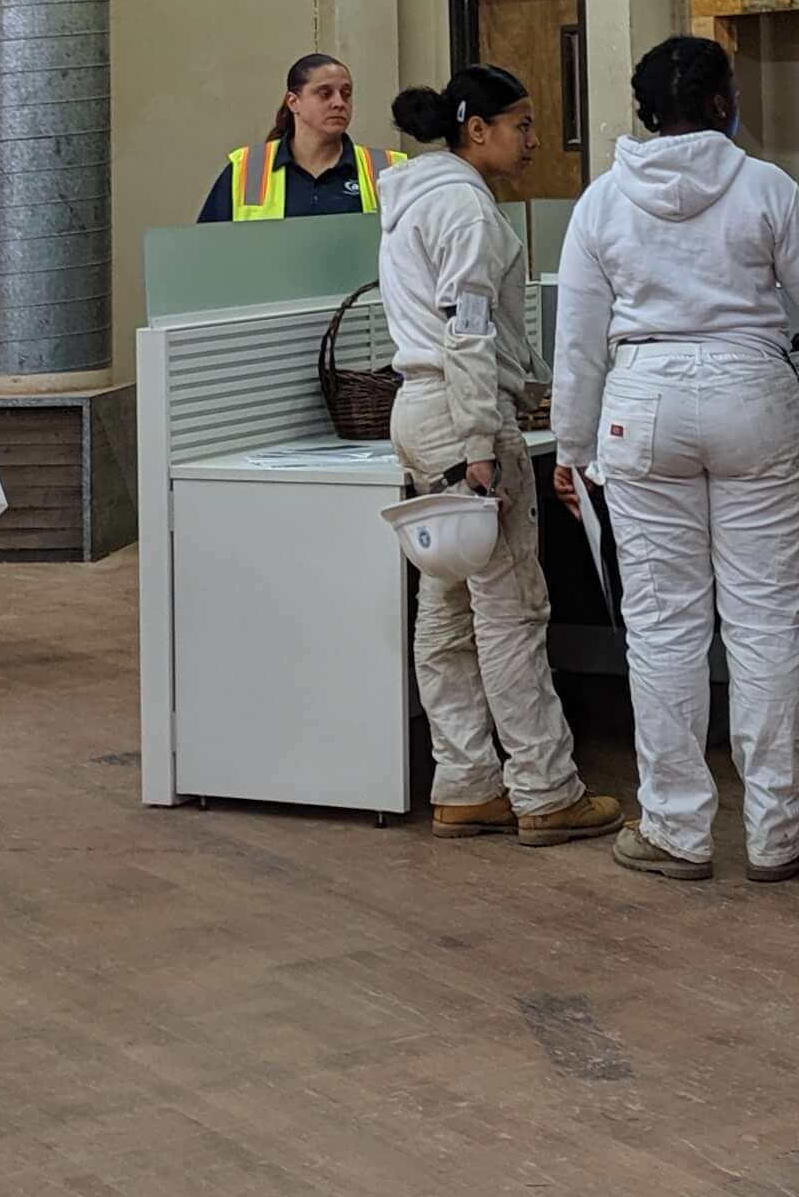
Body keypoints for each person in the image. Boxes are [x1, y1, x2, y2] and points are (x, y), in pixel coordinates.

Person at [551, 35, 799, 887]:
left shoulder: (601, 201)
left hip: (641, 407)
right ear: (718, 103)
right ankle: (778, 833)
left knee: (663, 627)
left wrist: (573, 448)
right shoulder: (766, 186)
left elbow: (578, 342)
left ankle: (675, 830)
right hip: (755, 400)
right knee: (768, 621)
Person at [377, 65, 620, 849]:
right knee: (511, 608)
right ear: (475, 129)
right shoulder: (466, 208)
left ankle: (465, 784)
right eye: (521, 124)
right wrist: (483, 444)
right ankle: (546, 791)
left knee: (446, 608)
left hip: (420, 412)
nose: (534, 140)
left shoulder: (413, 198)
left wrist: (527, 391)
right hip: (461, 420)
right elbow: (469, 331)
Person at [197, 51, 379, 221]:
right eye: (325, 94)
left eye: (346, 94)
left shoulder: (383, 169)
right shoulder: (247, 170)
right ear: (293, 102)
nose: (339, 103)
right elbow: (209, 241)